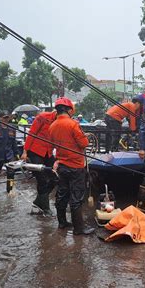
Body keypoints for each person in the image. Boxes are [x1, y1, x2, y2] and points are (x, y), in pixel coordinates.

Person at [49, 97, 94, 235]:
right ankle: (79, 229)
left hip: (62, 166)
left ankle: (62, 223)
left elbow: (54, 145)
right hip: (76, 166)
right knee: (76, 197)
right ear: (69, 110)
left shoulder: (52, 126)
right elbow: (84, 144)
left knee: (62, 195)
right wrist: (83, 136)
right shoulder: (73, 124)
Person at [21, 109, 57, 216]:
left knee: (56, 177)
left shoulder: (61, 121)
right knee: (41, 180)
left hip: (48, 152)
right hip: (35, 151)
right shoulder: (42, 117)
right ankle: (45, 208)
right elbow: (32, 133)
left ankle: (38, 201)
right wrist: (25, 151)